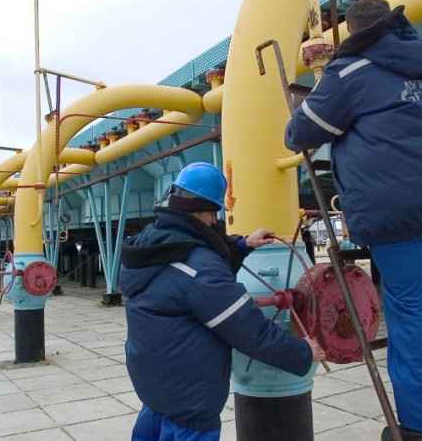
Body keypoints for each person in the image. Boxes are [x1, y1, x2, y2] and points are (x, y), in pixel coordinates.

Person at [285, 0, 422, 441]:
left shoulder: (349, 72)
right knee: (417, 304)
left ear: (354, 35)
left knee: (411, 313)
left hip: (398, 204)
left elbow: (299, 134)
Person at [119, 161, 326, 441]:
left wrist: (243, 245)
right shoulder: (201, 269)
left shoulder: (148, 243)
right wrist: (303, 352)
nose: (216, 221)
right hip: (189, 398)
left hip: (154, 385)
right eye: (214, 213)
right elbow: (250, 331)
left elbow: (195, 257)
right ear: (202, 210)